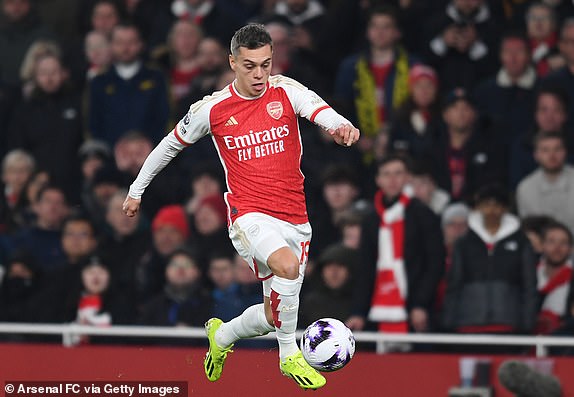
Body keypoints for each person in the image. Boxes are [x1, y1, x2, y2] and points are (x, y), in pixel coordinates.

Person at [122, 23, 359, 390]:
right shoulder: (213, 109)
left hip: (295, 219)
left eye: (265, 64)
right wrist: (137, 190)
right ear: (233, 62)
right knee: (287, 266)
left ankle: (223, 336)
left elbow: (321, 110)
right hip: (247, 216)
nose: (260, 74)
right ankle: (288, 355)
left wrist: (341, 126)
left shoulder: (286, 90)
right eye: (250, 66)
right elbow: (169, 145)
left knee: (271, 313)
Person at [346, 155, 444, 336]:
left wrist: (420, 304)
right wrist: (359, 311)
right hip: (377, 310)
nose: (392, 180)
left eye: (398, 173)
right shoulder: (371, 219)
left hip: (416, 311)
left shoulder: (424, 215)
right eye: (386, 174)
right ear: (378, 180)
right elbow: (365, 267)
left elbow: (435, 263)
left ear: (407, 177)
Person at [516, 132, 574, 235]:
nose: (552, 155)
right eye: (545, 150)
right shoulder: (525, 188)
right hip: (541, 249)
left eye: (557, 149)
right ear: (536, 155)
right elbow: (529, 230)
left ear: (565, 152)